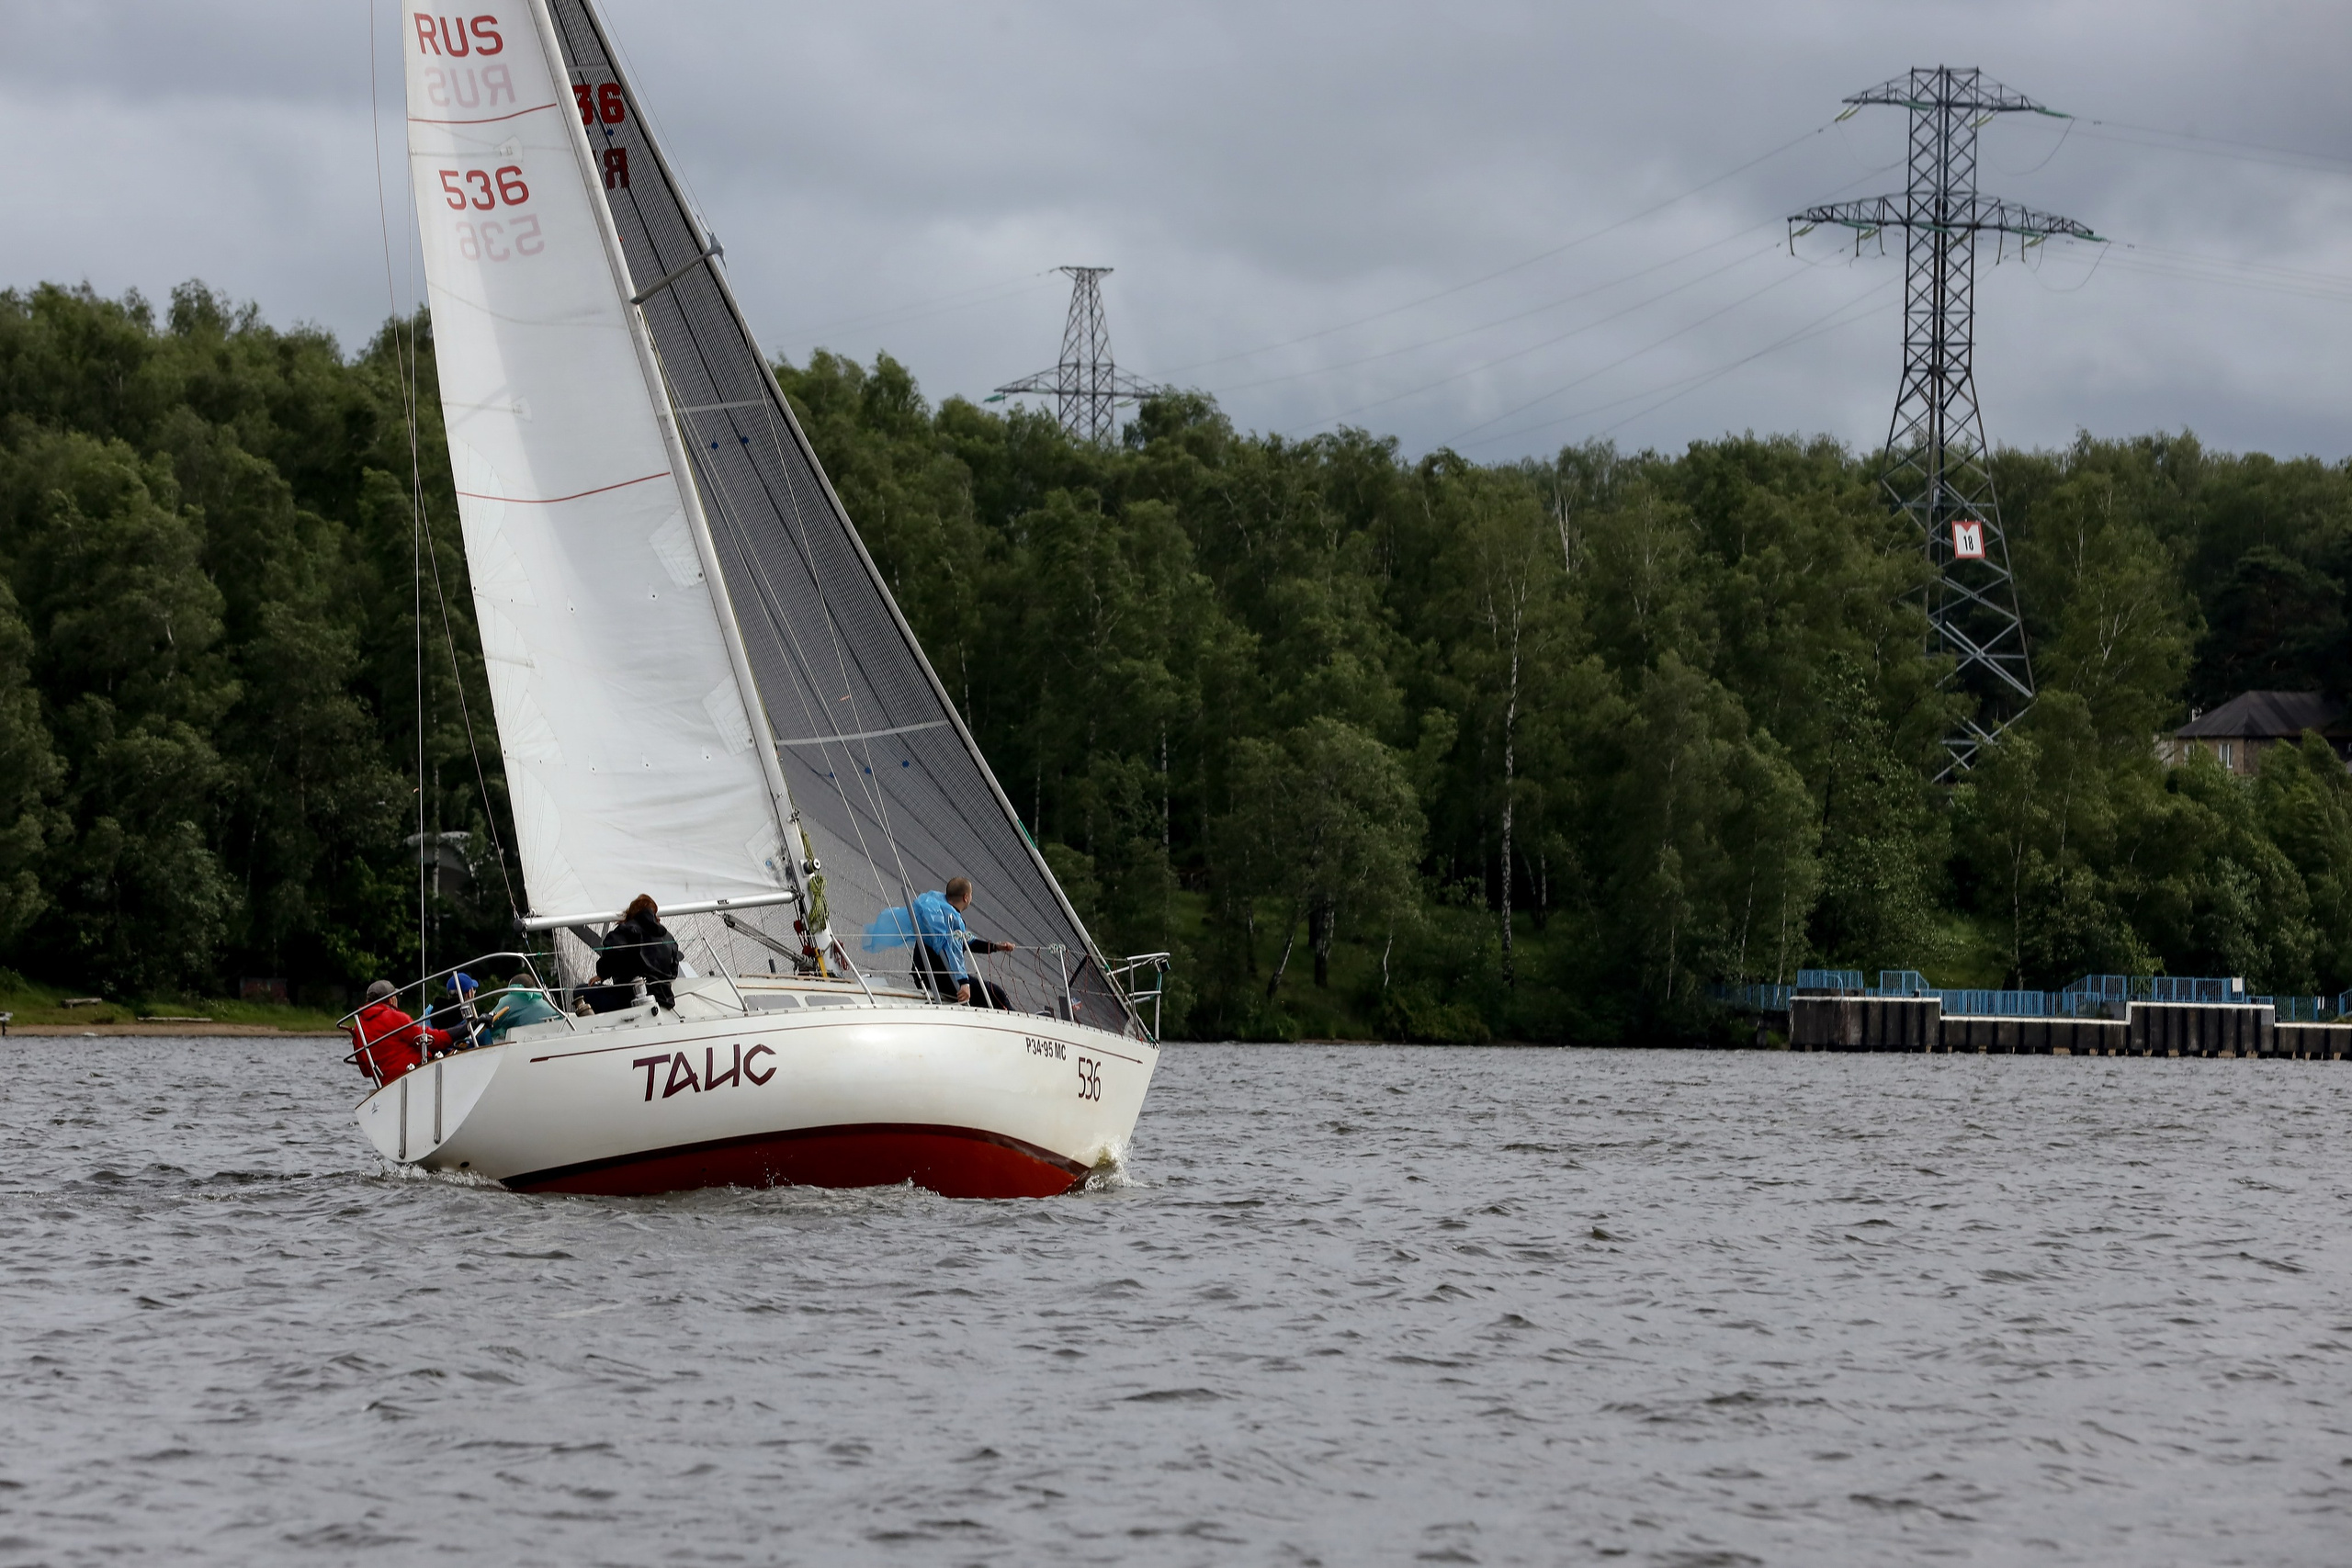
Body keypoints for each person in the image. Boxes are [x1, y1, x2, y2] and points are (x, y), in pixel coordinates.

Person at [912, 876, 1016, 1010]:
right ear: (966, 897)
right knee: (996, 994)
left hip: (922, 975)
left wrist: (996, 947)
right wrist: (964, 982)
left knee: (986, 994)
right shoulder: (952, 919)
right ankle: (1021, 1021)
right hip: (942, 980)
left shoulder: (939, 912)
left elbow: (967, 942)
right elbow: (953, 952)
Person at [590, 894, 682, 1012]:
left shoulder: (626, 930)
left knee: (580, 991)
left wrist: (602, 974)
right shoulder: (668, 937)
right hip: (664, 1000)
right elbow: (673, 971)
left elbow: (612, 952)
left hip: (629, 1000)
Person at [348, 979, 450, 1086]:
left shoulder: (359, 1027)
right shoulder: (394, 1017)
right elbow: (430, 1039)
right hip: (416, 1075)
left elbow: (366, 1071)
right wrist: (456, 1032)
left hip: (386, 1084)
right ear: (392, 1000)